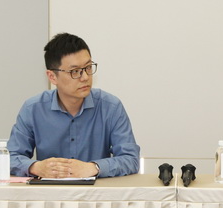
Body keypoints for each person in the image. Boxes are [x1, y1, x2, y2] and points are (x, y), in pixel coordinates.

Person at [7, 33, 140, 178]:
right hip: (49, 191)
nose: (85, 77)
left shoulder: (111, 107)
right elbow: (10, 158)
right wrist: (36, 167)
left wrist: (94, 167)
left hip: (96, 191)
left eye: (88, 67)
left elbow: (131, 159)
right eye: (75, 71)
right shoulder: (33, 109)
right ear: (52, 77)